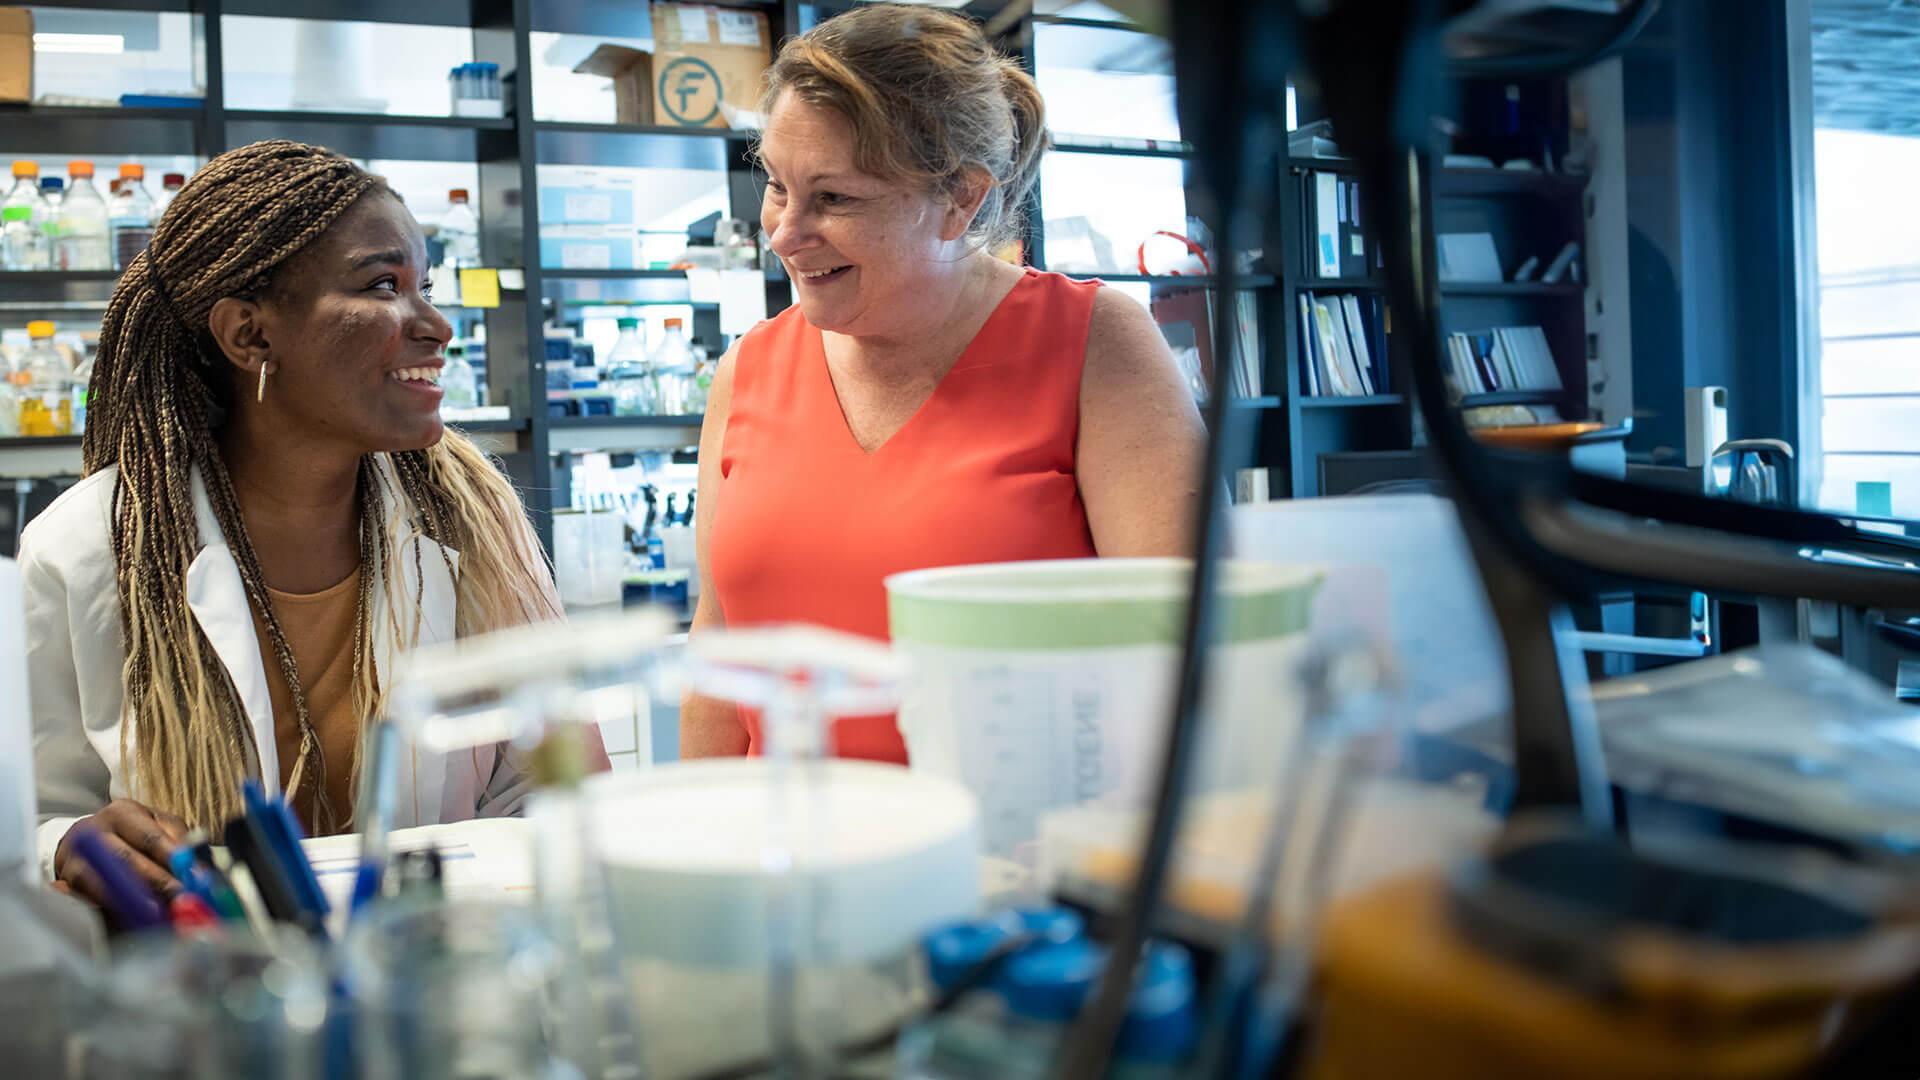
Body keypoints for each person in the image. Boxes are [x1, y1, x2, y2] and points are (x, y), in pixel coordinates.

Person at [22, 140, 606, 909]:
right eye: (384, 285)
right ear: (249, 336)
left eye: (424, 287)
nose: (435, 325)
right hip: (211, 995)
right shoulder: (88, 547)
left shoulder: (471, 517)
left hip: (440, 979)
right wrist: (65, 845)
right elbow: (32, 819)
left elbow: (559, 787)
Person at [683, 6, 1206, 762]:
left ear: (960, 198)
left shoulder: (1095, 343)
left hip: (1016, 859)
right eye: (775, 186)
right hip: (784, 856)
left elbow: (1179, 660)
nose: (784, 232)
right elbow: (719, 655)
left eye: (834, 198)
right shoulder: (748, 370)